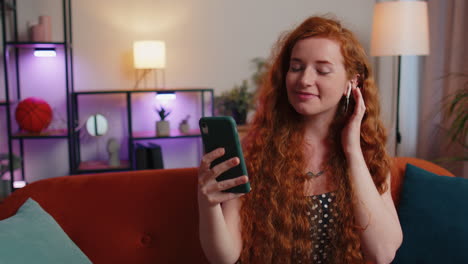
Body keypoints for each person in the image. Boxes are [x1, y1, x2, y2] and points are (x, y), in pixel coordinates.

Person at [197, 15, 403, 264]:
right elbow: (224, 257)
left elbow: (382, 253)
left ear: (352, 81)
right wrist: (207, 204)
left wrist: (352, 151)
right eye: (296, 67)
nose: (304, 80)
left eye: (322, 70)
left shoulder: (369, 152)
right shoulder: (255, 150)